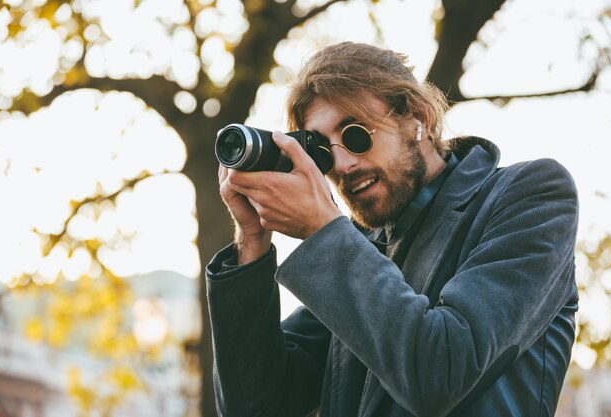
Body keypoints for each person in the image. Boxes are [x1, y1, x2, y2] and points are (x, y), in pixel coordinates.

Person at [207, 42, 579, 417]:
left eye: (355, 134)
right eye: (322, 152)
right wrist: (251, 242)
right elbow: (254, 407)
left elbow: (442, 373)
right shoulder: (360, 249)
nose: (344, 164)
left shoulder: (533, 195)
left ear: (419, 117)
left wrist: (322, 229)